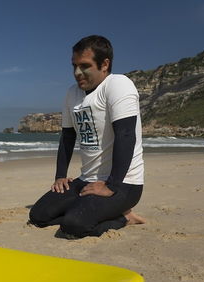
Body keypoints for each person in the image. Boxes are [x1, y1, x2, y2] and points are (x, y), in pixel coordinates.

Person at [28, 35, 146, 239]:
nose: (77, 73)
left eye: (84, 66)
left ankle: (124, 218)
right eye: (74, 66)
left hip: (125, 184)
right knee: (38, 216)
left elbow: (126, 135)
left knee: (73, 225)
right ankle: (89, 208)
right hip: (86, 179)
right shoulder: (71, 94)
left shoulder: (118, 85)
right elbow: (67, 137)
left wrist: (111, 186)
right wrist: (60, 176)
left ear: (105, 64)